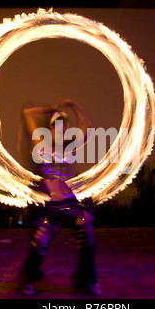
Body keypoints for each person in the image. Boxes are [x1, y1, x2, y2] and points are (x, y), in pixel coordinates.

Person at [18, 98, 100, 296]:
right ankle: (28, 280)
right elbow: (27, 112)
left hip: (70, 202)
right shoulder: (41, 145)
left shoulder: (70, 146)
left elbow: (88, 126)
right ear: (50, 129)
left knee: (86, 225)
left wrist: (74, 105)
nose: (60, 130)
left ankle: (87, 282)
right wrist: (51, 109)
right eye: (56, 126)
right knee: (40, 241)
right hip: (51, 205)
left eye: (64, 127)